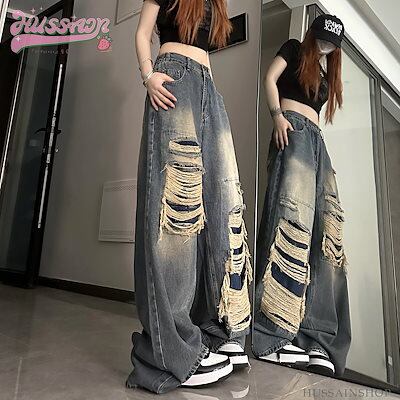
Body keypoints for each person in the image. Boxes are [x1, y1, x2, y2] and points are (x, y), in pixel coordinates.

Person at [126, 0, 253, 394]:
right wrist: (148, 75)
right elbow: (141, 32)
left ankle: (212, 330)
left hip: (208, 85)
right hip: (174, 78)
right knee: (175, 211)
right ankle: (172, 350)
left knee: (221, 203)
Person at [252, 14, 351, 378]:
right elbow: (269, 78)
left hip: (316, 141)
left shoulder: (326, 73)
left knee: (327, 233)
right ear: (313, 34)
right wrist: (277, 115)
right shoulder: (294, 49)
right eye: (323, 39)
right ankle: (272, 331)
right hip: (292, 130)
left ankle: (316, 337)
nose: (326, 47)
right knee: (290, 223)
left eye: (332, 44)